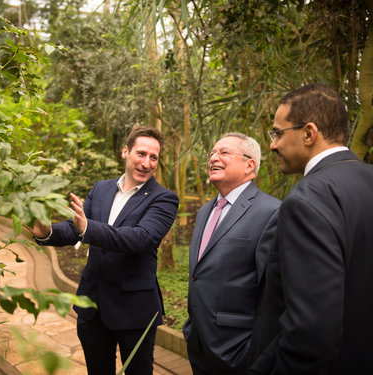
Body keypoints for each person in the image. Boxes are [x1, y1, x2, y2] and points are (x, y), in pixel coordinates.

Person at [27, 125, 179, 375]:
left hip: (134, 310)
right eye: (141, 154)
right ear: (125, 152)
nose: (147, 163)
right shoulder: (101, 189)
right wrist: (46, 232)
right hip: (92, 306)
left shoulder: (164, 199)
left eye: (154, 157)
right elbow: (75, 228)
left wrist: (87, 228)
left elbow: (140, 239)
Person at [249, 83, 373, 374]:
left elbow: (312, 331)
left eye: (278, 133)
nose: (272, 144)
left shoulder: (307, 201)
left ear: (308, 133)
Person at [183, 132, 281, 375]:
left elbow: (274, 293)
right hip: (197, 343)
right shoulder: (206, 210)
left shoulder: (272, 212)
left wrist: (255, 350)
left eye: (224, 152)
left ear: (250, 165)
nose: (213, 158)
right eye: (212, 153)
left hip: (239, 350)